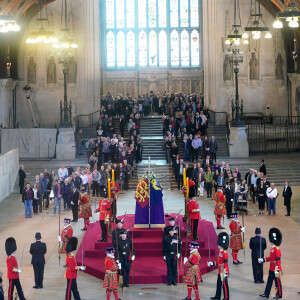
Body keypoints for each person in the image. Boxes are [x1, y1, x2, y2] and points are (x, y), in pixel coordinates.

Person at [259, 228, 283, 299]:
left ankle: (279, 294)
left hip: (276, 269)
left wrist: (278, 269)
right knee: (269, 282)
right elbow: (270, 258)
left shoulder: (277, 250)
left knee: (277, 283)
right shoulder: (272, 249)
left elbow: (278, 261)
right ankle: (266, 293)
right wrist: (263, 259)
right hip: (271, 268)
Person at [208, 232, 230, 300]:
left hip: (223, 271)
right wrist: (212, 263)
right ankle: (217, 296)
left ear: (221, 245)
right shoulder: (221, 252)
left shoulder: (225, 253)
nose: (218, 246)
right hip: (220, 271)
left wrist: (225, 273)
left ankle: (226, 297)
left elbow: (225, 264)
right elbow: (219, 262)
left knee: (225, 285)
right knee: (219, 284)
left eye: (219, 245)